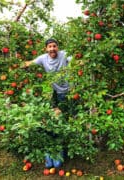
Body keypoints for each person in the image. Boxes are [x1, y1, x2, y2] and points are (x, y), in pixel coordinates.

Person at [24, 38, 72, 168]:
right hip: (52, 93)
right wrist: (17, 65)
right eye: (49, 47)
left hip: (67, 93)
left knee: (62, 120)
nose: (52, 49)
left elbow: (77, 60)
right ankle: (49, 151)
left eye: (54, 46)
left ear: (58, 47)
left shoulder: (64, 54)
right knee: (49, 121)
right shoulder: (43, 58)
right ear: (46, 49)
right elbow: (29, 63)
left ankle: (60, 150)